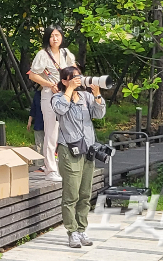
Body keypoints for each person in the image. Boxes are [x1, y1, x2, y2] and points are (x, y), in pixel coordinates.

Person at [52, 66, 106, 248]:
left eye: (79, 76)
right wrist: (68, 90)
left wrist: (97, 94)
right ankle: (72, 231)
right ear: (65, 80)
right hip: (69, 150)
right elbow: (60, 110)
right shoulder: (57, 97)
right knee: (71, 194)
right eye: (73, 77)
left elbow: (100, 114)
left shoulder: (86, 97)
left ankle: (82, 229)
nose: (78, 80)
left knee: (85, 194)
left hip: (88, 150)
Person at [28, 25, 76, 182]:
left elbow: (74, 70)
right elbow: (33, 75)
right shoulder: (43, 54)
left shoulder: (65, 53)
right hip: (49, 95)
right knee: (51, 132)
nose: (55, 38)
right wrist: (49, 84)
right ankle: (50, 169)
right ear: (47, 38)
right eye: (52, 36)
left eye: (58, 35)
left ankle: (62, 165)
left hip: (66, 95)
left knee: (66, 131)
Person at [27, 88, 45, 162]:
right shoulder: (37, 94)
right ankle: (39, 164)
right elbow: (33, 109)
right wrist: (29, 121)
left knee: (49, 145)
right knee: (39, 144)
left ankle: (49, 164)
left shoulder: (54, 93)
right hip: (38, 123)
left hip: (51, 124)